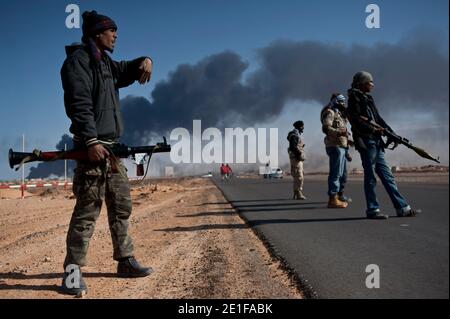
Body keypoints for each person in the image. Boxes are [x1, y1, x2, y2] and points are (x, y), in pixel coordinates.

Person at [60, 10, 154, 295]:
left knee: (121, 207)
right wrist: (89, 141)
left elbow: (128, 69)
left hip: (111, 152)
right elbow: (79, 104)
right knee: (87, 212)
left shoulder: (106, 64)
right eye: (111, 31)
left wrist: (146, 60)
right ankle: (72, 275)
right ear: (96, 34)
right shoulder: (79, 62)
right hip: (92, 150)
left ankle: (125, 261)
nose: (115, 36)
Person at [347, 71, 419, 219]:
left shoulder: (368, 98)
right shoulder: (354, 98)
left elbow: (378, 119)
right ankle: (373, 210)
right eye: (370, 82)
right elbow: (356, 121)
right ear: (362, 83)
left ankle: (403, 208)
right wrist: (373, 129)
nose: (373, 85)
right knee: (371, 177)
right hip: (367, 142)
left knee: (388, 177)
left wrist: (392, 133)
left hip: (376, 142)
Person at [321, 93, 351, 208]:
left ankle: (339, 195)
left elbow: (343, 131)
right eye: (341, 101)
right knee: (336, 173)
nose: (343, 103)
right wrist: (339, 133)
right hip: (334, 146)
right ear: (336, 101)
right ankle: (332, 199)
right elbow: (326, 128)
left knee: (343, 174)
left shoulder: (340, 114)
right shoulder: (330, 112)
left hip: (342, 146)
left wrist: (348, 141)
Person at [287, 121, 306, 200]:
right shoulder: (294, 135)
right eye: (302, 126)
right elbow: (293, 147)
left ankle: (296, 192)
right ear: (299, 127)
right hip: (296, 158)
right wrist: (299, 155)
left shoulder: (296, 135)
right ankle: (298, 193)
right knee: (299, 176)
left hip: (297, 158)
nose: (303, 128)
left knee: (299, 175)